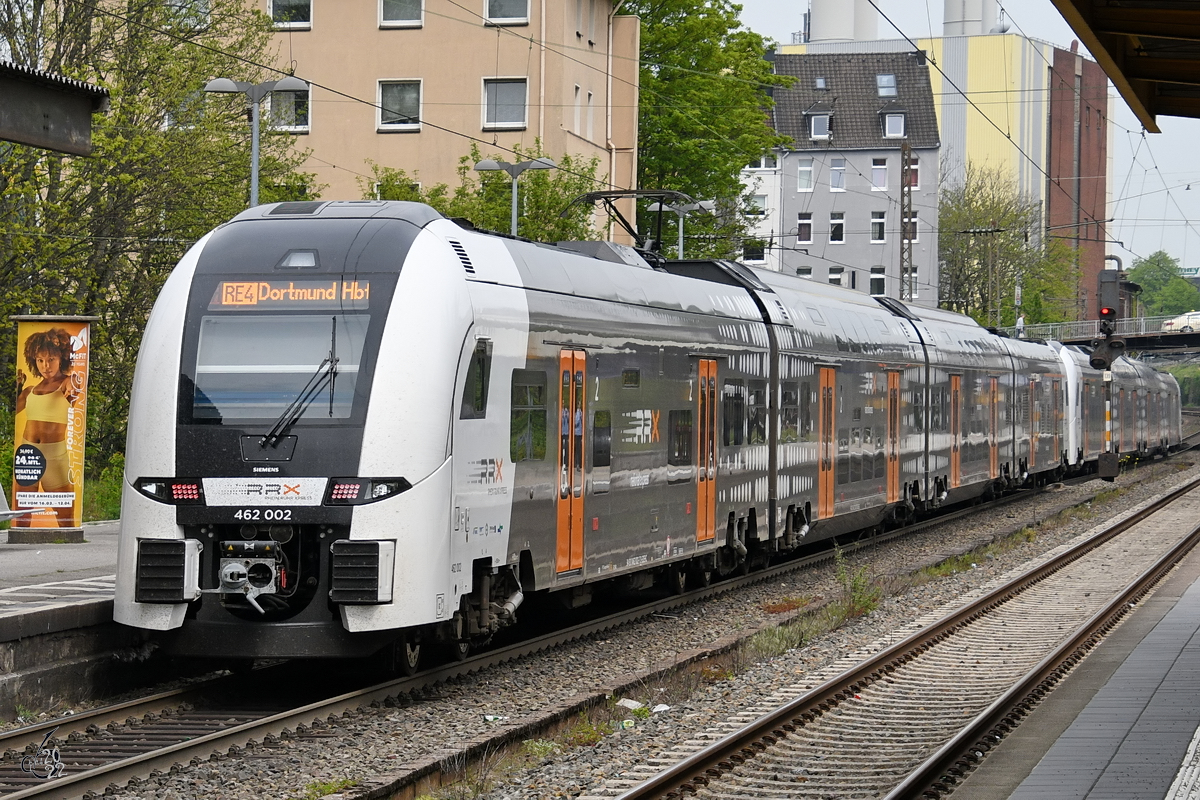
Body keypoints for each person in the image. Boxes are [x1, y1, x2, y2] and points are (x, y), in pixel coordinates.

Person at [15, 328, 78, 527]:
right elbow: (12, 413)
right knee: (21, 520)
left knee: (67, 522)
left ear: (62, 358)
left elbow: (76, 388)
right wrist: (17, 388)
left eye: (51, 359)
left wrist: (71, 383)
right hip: (27, 455)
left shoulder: (68, 382)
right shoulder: (28, 391)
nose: (46, 366)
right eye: (40, 360)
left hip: (55, 457)